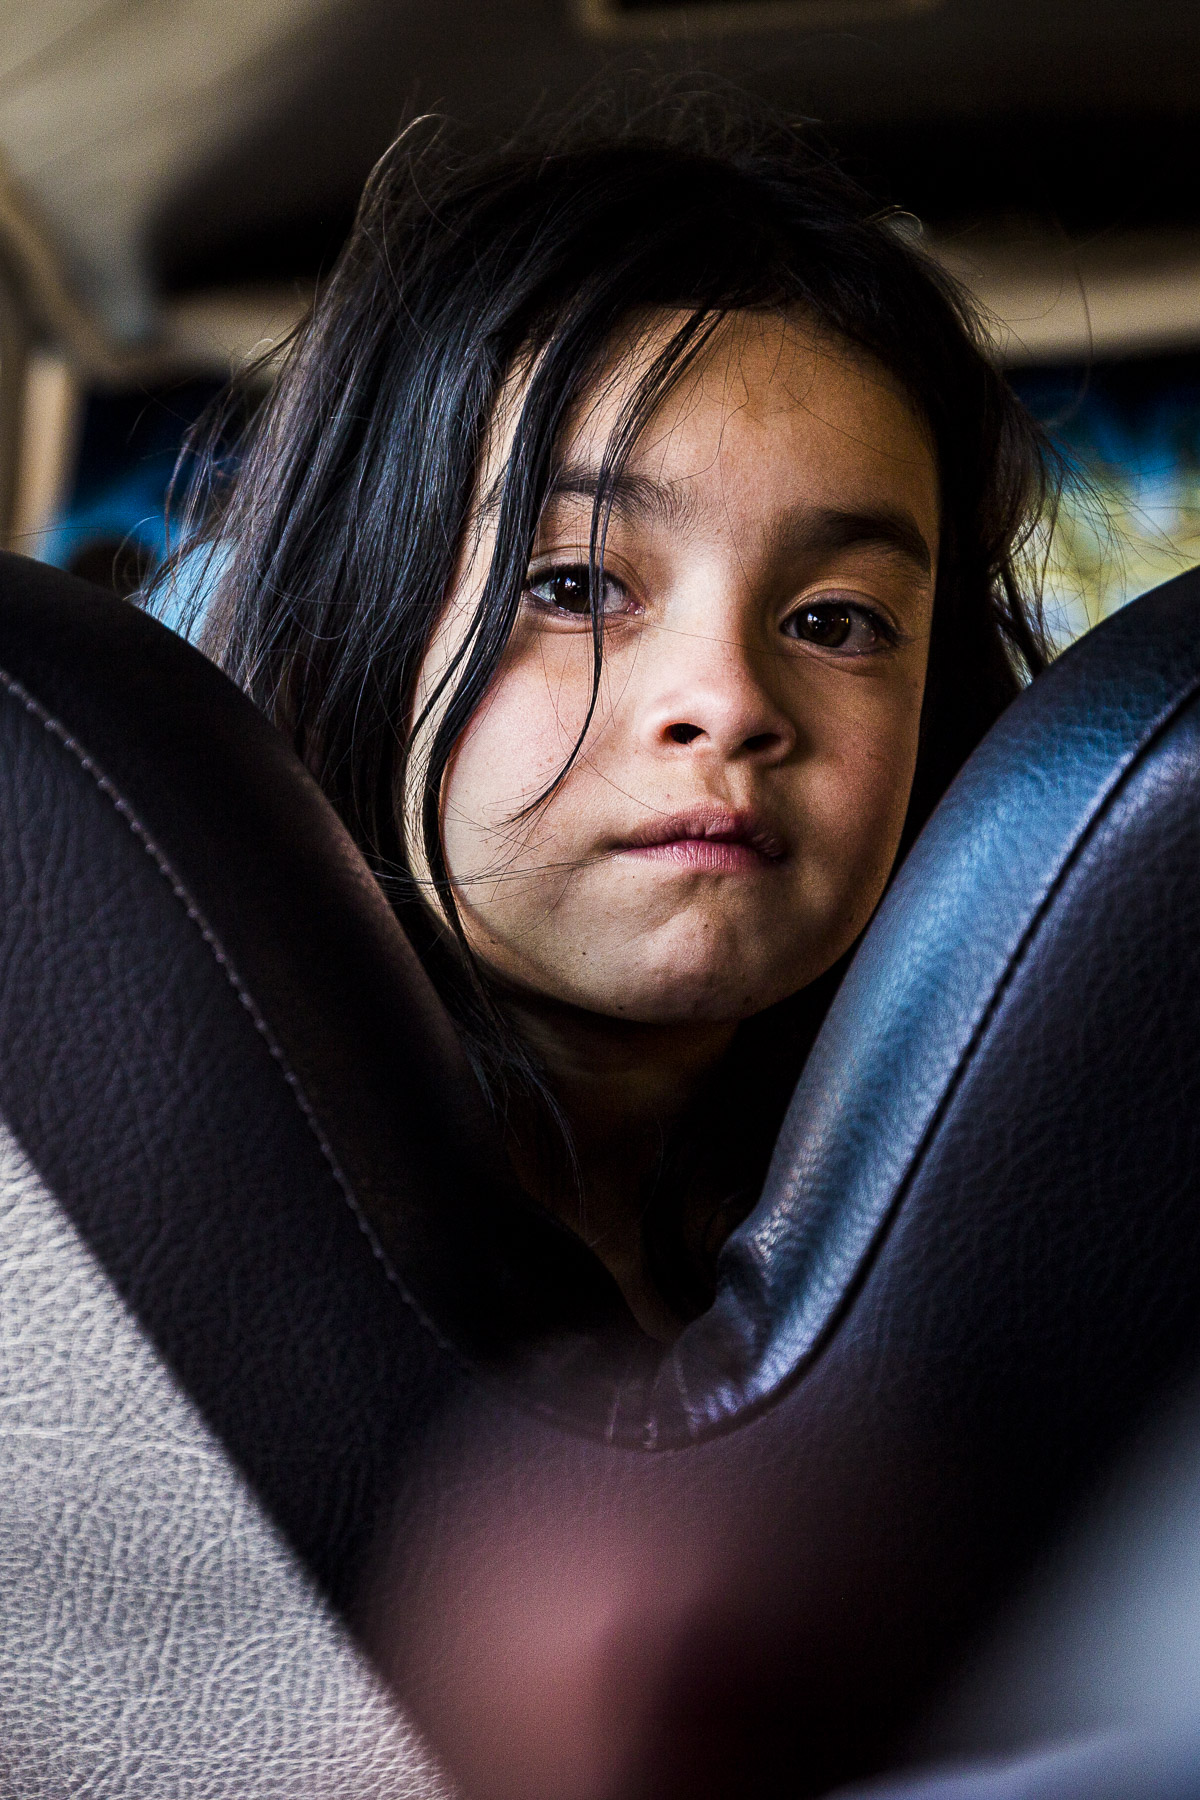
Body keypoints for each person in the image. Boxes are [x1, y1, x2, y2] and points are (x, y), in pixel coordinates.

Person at [154, 105, 1057, 1342]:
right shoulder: (141, 1224)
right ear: (345, 636)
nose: (729, 705)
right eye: (573, 588)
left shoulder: (1041, 1231)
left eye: (837, 623)